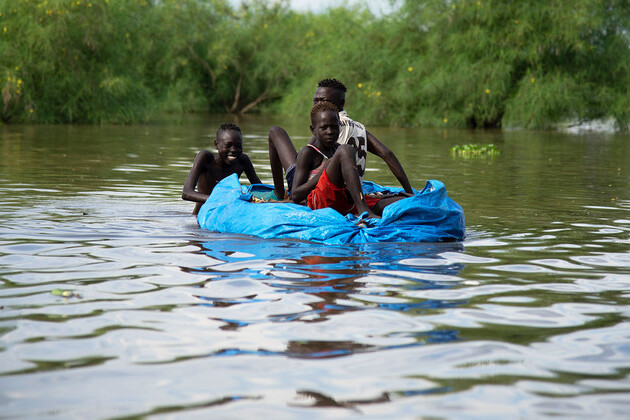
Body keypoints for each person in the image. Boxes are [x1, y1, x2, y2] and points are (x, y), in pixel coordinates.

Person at [268, 78, 414, 201]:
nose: (318, 105)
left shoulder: (327, 125)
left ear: (340, 103)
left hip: (317, 186)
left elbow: (305, 160)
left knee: (275, 132)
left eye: (323, 101)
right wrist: (409, 190)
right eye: (316, 101)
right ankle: (281, 193)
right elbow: (387, 154)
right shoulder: (359, 127)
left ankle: (280, 195)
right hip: (344, 187)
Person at [291, 101, 380, 218]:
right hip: (318, 202)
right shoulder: (308, 152)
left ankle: (360, 206)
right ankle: (363, 211)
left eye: (334, 127)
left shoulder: (337, 149)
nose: (330, 132)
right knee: (346, 149)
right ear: (313, 130)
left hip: (340, 201)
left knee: (394, 201)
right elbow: (295, 194)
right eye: (324, 127)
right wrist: (324, 171)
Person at [182, 123, 261, 214]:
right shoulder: (205, 158)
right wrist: (220, 201)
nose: (234, 150)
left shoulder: (243, 160)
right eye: (228, 145)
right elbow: (186, 193)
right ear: (216, 144)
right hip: (201, 217)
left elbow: (259, 189)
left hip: (226, 215)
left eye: (238, 146)